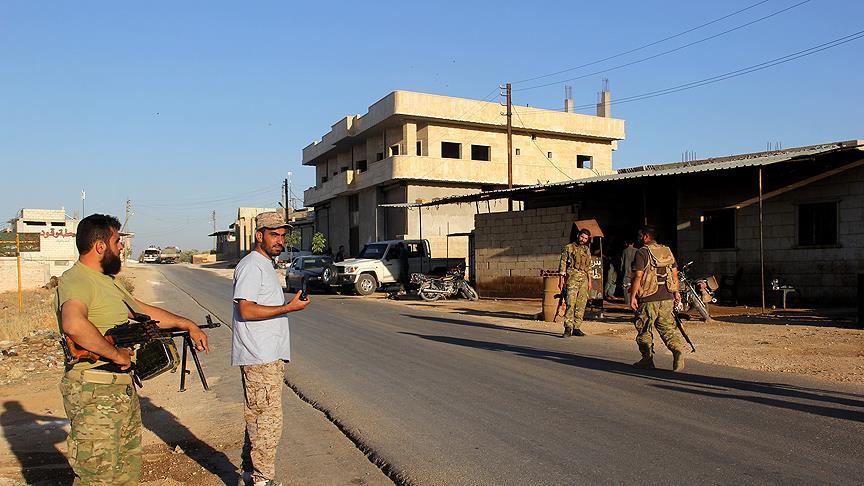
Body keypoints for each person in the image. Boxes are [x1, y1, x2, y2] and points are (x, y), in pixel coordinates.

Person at [56, 214, 209, 485]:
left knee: (125, 474)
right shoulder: (78, 279)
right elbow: (73, 323)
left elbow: (144, 312)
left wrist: (186, 324)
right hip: (94, 388)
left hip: (118, 389)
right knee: (98, 477)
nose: (122, 248)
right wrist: (115, 354)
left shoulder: (109, 281)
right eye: (117, 242)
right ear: (100, 246)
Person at [233, 211, 311, 486]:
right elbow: (246, 309)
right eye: (274, 235)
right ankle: (262, 481)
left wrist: (287, 304)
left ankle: (249, 475)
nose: (280, 240)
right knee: (267, 424)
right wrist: (288, 308)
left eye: (282, 235)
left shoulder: (265, 265)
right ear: (259, 236)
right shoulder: (252, 265)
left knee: (258, 420)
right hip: (259, 357)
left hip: (268, 357)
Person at [629, 226, 686, 372]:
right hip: (667, 296)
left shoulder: (642, 252)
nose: (638, 238)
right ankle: (677, 351)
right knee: (667, 328)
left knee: (644, 329)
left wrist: (633, 296)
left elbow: (638, 276)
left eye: (640, 235)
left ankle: (647, 360)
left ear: (646, 236)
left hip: (648, 297)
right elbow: (674, 274)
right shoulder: (667, 250)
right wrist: (676, 293)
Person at [557, 228, 593, 337]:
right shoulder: (568, 248)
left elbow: (589, 266)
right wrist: (561, 280)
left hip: (584, 280)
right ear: (578, 235)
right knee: (570, 303)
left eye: (585, 238)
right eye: (582, 237)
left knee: (581, 304)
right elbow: (562, 263)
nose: (583, 240)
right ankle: (568, 327)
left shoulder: (586, 249)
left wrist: (590, 281)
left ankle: (577, 327)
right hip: (572, 278)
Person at [621, 239, 637, 304]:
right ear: (633, 243)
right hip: (634, 272)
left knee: (625, 287)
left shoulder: (624, 251)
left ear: (626, 243)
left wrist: (621, 270)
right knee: (633, 285)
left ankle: (627, 301)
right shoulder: (637, 251)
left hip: (626, 271)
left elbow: (622, 262)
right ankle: (632, 300)